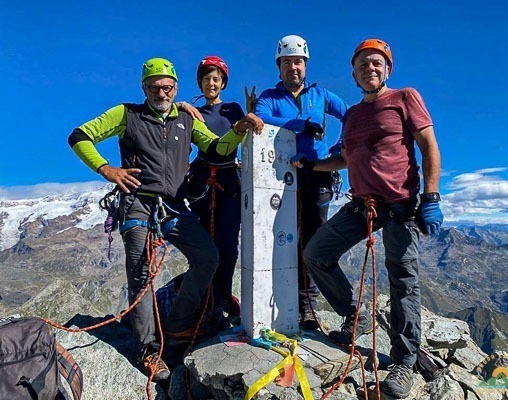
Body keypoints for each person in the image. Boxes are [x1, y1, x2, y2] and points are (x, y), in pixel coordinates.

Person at [68, 57, 263, 381]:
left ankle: (176, 327)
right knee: (141, 274)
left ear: (175, 88)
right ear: (144, 88)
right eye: (155, 86)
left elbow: (216, 150)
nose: (162, 91)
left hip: (173, 206)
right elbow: (79, 135)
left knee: (208, 257)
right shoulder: (126, 114)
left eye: (168, 86)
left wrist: (238, 131)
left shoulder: (186, 120)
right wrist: (107, 170)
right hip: (137, 205)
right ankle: (148, 350)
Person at [293, 39, 443, 398]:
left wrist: (432, 196)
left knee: (403, 281)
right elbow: (346, 159)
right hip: (361, 204)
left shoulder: (405, 98)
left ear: (387, 69)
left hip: (400, 206)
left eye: (376, 63)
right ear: (354, 74)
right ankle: (356, 314)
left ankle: (404, 362)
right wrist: (313, 166)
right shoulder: (355, 116)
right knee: (316, 253)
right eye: (362, 65)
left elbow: (429, 146)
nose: (370, 68)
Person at [254, 34, 348, 330]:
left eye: (298, 62)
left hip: (317, 175)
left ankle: (307, 305)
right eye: (286, 63)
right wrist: (298, 124)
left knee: (312, 240)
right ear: (279, 67)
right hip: (278, 177)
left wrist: (339, 150)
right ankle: (277, 298)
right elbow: (260, 118)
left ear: (305, 65)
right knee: (278, 239)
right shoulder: (269, 97)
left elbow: (350, 116)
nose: (293, 67)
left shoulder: (321, 96)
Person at [187, 56, 244, 328]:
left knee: (228, 244)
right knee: (203, 243)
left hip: (229, 180)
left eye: (216, 78)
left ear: (223, 83)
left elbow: (250, 138)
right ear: (201, 82)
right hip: (201, 181)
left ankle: (221, 298)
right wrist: (181, 105)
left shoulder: (234, 109)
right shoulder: (192, 113)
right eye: (207, 78)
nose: (212, 82)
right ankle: (204, 297)